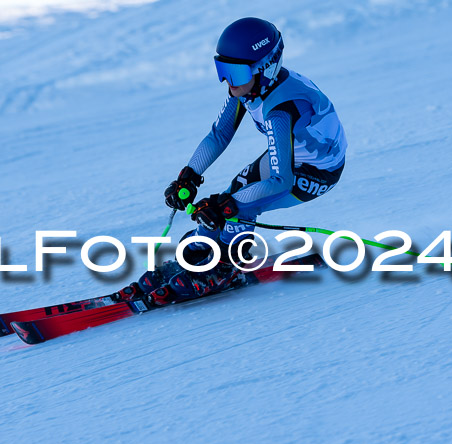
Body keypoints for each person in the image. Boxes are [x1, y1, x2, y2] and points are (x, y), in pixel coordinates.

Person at [120, 17, 347, 305]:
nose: (228, 82)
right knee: (232, 194)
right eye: (222, 70)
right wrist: (189, 175)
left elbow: (282, 181)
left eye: (235, 73)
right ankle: (201, 253)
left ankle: (224, 268)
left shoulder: (281, 111)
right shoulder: (250, 88)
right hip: (296, 159)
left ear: (264, 68)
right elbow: (220, 133)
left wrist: (227, 206)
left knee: (237, 204)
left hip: (317, 172)